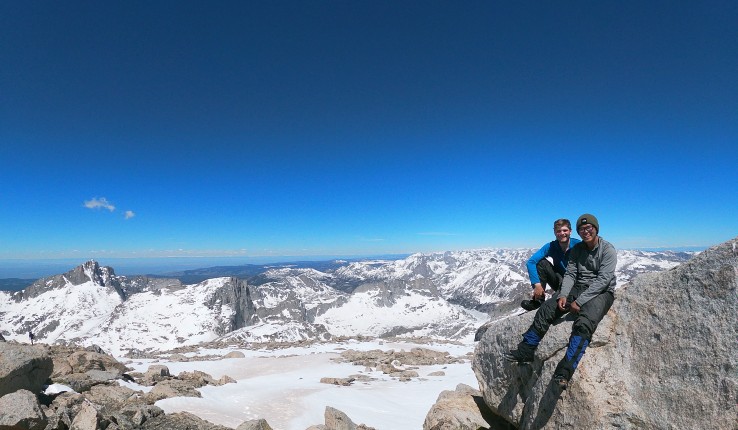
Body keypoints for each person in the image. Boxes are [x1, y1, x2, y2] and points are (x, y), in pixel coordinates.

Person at [504, 213, 617, 390]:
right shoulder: (578, 249)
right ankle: (527, 349)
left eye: (589, 228)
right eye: (582, 229)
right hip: (578, 285)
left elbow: (603, 280)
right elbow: (571, 273)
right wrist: (563, 295)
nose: (586, 231)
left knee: (584, 324)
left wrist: (580, 301)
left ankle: (564, 371)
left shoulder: (607, 249)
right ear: (578, 232)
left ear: (596, 228)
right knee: (548, 309)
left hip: (602, 292)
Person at [521, 219, 581, 311]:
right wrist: (537, 284)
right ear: (554, 232)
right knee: (542, 263)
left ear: (570, 231)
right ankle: (538, 301)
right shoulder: (551, 246)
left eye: (565, 230)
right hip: (559, 280)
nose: (562, 233)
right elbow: (531, 262)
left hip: (576, 282)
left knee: (555, 304)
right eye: (558, 231)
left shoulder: (579, 245)